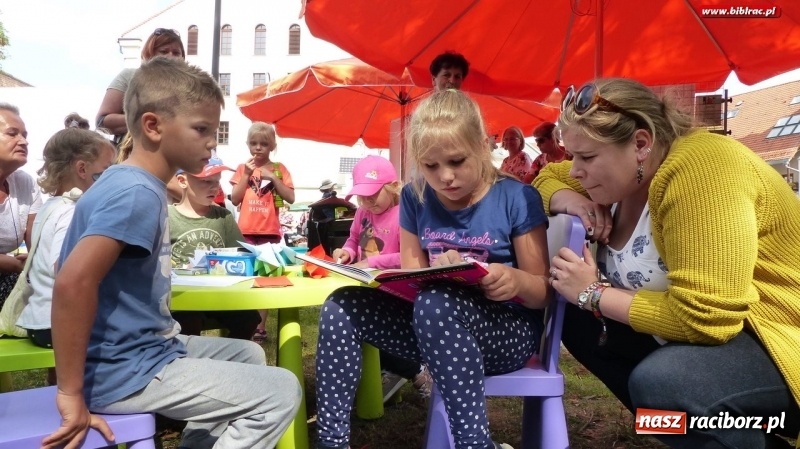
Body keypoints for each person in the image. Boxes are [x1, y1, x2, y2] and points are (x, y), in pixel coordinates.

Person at [44, 57, 300, 449]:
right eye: (201, 129)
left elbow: (70, 264)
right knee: (281, 390)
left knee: (247, 354)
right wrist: (70, 394)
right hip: (123, 370)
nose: (212, 142)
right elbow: (71, 282)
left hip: (148, 349)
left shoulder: (125, 181)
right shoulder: (137, 193)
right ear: (153, 126)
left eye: (214, 130)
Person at [537, 78, 800, 449]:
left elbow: (708, 319)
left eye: (587, 158)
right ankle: (693, 430)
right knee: (577, 322)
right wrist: (569, 198)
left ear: (641, 143)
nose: (576, 170)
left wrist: (593, 293)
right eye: (573, 157)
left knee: (665, 384)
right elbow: (545, 178)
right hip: (723, 342)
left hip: (780, 343)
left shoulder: (704, 169)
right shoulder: (627, 171)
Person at [315, 90, 550, 449]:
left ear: (483, 147)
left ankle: (474, 444)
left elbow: (542, 293)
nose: (446, 177)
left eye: (457, 161)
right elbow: (411, 275)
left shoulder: (515, 197)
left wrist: (514, 279)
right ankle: (332, 442)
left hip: (506, 332)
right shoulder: (415, 195)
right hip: (433, 327)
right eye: (430, 166)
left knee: (437, 303)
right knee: (340, 307)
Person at [16, 128, 115, 350]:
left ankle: (57, 380)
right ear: (82, 169)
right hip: (59, 325)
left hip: (41, 321)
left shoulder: (50, 207)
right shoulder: (72, 212)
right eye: (106, 171)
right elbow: (64, 269)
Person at [169, 157, 261, 340]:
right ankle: (192, 365)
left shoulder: (223, 217)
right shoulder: (167, 216)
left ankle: (230, 360)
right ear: (182, 181)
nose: (215, 188)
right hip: (182, 298)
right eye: (206, 181)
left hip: (220, 295)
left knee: (249, 319)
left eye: (217, 181)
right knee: (187, 323)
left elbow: (240, 254)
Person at [230, 121, 295, 344]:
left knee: (265, 280)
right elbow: (235, 198)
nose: (258, 148)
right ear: (247, 144)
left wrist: (274, 178)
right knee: (245, 278)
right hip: (246, 232)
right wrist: (247, 175)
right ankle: (243, 322)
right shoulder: (242, 168)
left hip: (269, 233)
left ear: (272, 146)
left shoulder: (280, 169)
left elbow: (291, 198)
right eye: (254, 143)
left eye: (264, 144)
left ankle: (260, 326)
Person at [95, 28, 185, 145]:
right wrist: (147, 119)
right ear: (149, 54)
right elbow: (102, 121)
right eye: (163, 51)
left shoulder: (190, 88)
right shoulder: (129, 76)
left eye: (176, 53)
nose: (170, 56)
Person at [0, 103, 41, 310]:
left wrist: (36, 260)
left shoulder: (25, 183)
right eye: (12, 133)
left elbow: (36, 241)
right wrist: (17, 265)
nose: (23, 141)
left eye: (24, 135)